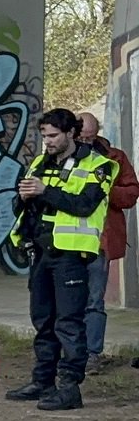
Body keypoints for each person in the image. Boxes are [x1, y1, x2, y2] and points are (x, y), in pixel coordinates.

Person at [6, 108, 116, 410]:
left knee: (69, 322)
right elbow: (21, 205)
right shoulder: (41, 163)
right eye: (44, 136)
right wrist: (24, 197)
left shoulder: (99, 165)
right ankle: (42, 381)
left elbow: (84, 205)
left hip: (71, 255)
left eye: (53, 135)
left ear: (71, 133)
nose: (48, 142)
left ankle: (69, 388)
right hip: (40, 251)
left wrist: (45, 190)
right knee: (43, 320)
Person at [77, 112, 139, 373]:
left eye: (91, 136)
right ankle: (69, 352)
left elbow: (131, 193)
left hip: (99, 241)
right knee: (65, 300)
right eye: (82, 137)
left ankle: (92, 354)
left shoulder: (115, 158)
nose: (87, 141)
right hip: (64, 241)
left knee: (94, 301)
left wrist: (105, 190)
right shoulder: (60, 157)